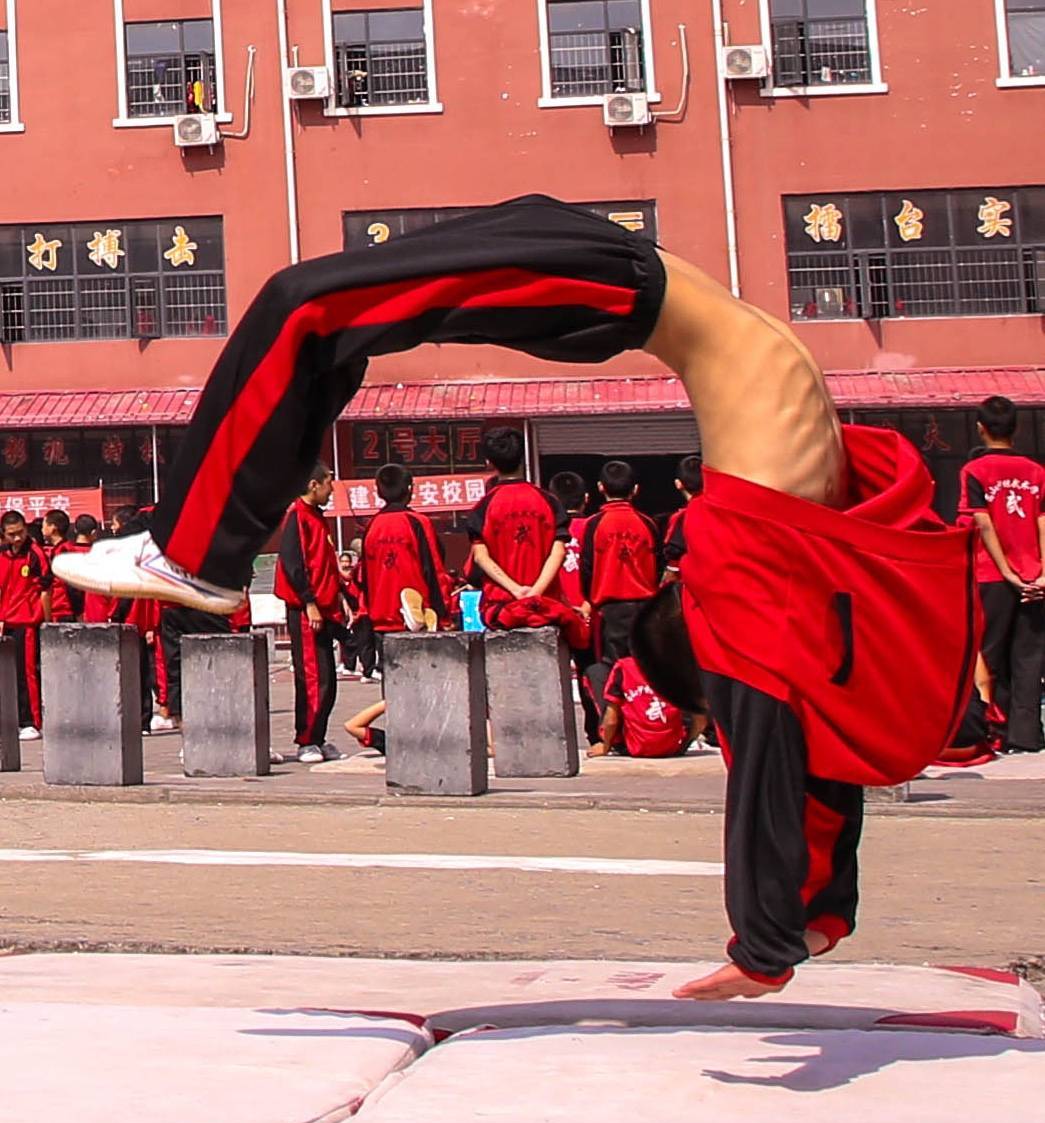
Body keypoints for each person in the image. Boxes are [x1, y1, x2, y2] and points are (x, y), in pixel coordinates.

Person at [54, 193, 977, 998]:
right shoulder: (759, 566)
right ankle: (196, 553)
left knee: (317, 309)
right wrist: (784, 930)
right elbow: (776, 732)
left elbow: (786, 738)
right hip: (614, 280)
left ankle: (195, 554)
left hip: (625, 269)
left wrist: (796, 929)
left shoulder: (787, 538)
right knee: (310, 305)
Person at [957, 396, 1045, 754]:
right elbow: (1042, 521)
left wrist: (1007, 571)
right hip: (1033, 576)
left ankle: (995, 727)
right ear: (1016, 428)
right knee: (1029, 655)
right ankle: (1026, 736)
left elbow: (983, 523)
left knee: (990, 654)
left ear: (980, 428)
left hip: (993, 575)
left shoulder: (974, 471)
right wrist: (1041, 573)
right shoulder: (1036, 471)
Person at [463, 426, 587, 648]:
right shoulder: (549, 501)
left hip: (503, 609)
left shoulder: (483, 508)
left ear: (489, 463)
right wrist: (535, 593)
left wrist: (517, 591)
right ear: (523, 458)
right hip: (545, 607)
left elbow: (481, 558)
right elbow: (557, 552)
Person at [274, 462, 347, 763]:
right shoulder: (297, 517)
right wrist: (309, 602)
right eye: (329, 482)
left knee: (327, 678)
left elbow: (324, 566)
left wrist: (340, 597)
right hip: (306, 611)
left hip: (325, 608)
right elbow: (293, 565)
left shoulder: (317, 519)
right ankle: (306, 740)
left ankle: (318, 736)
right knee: (313, 677)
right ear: (314, 485)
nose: (332, 488)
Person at [580, 460, 660, 667]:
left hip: (609, 610)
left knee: (614, 669)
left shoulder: (594, 525)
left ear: (600, 487)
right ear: (635, 489)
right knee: (645, 668)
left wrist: (590, 599)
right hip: (645, 608)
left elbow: (587, 568)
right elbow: (659, 565)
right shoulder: (647, 523)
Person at [358, 463, 450, 642]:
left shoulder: (371, 526)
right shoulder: (418, 522)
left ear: (379, 492)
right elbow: (434, 569)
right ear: (410, 489)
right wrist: (443, 614)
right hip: (416, 620)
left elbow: (364, 577)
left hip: (380, 620)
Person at [548, 469, 600, 748]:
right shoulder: (594, 526)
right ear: (587, 498)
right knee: (592, 671)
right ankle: (598, 732)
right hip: (592, 612)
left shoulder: (549, 533)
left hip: (558, 612)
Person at [586, 654, 705, 759]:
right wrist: (684, 745)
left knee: (595, 672)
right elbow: (700, 720)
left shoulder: (625, 667)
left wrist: (606, 746)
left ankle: (610, 741)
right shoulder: (679, 665)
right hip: (672, 747)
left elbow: (611, 721)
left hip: (634, 747)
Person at [0, 510, 52, 739]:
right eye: (12, 534)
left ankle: (31, 721)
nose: (17, 538)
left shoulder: (35, 554)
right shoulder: (2, 554)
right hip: (5, 620)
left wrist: (48, 622)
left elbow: (45, 590)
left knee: (26, 672)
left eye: (20, 532)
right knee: (6, 674)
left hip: (27, 622)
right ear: (4, 534)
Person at [662, 454, 703, 583]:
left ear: (678, 484)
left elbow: (674, 562)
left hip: (693, 590)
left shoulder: (682, 517)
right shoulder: (724, 513)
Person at [40, 509, 79, 622]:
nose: (42, 530)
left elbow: (72, 586)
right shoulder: (57, 550)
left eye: (44, 525)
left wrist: (78, 613)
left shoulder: (65, 550)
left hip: (63, 611)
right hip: (56, 610)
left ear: (53, 528)